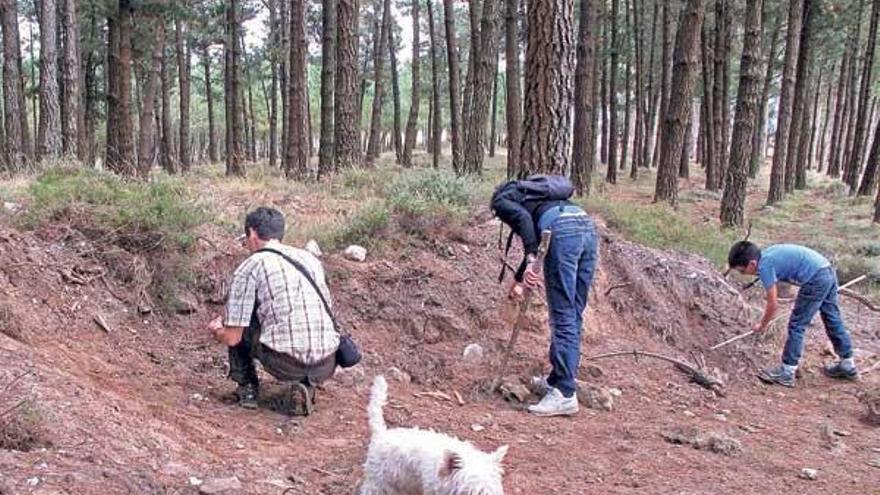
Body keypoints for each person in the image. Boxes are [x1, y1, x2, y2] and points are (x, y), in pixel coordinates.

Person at [208, 207, 339, 412]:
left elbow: (233, 338)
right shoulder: (310, 259)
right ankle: (304, 387)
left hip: (283, 363)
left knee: (238, 321)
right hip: (327, 363)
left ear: (251, 233)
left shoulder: (251, 266)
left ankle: (247, 388)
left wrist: (218, 329)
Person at [491, 175, 598, 417]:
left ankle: (565, 393)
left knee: (563, 314)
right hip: (585, 226)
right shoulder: (540, 196)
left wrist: (530, 261)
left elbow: (525, 221)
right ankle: (558, 379)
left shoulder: (500, 202)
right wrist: (520, 278)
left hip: (561, 232)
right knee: (573, 312)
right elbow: (537, 239)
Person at [727, 241, 858, 387]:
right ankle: (847, 364)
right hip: (826, 269)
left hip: (816, 278)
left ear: (752, 263)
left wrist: (762, 325)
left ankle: (787, 372)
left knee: (797, 325)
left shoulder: (764, 266)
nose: (744, 274)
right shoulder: (767, 255)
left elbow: (773, 304)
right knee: (832, 317)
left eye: (742, 271)